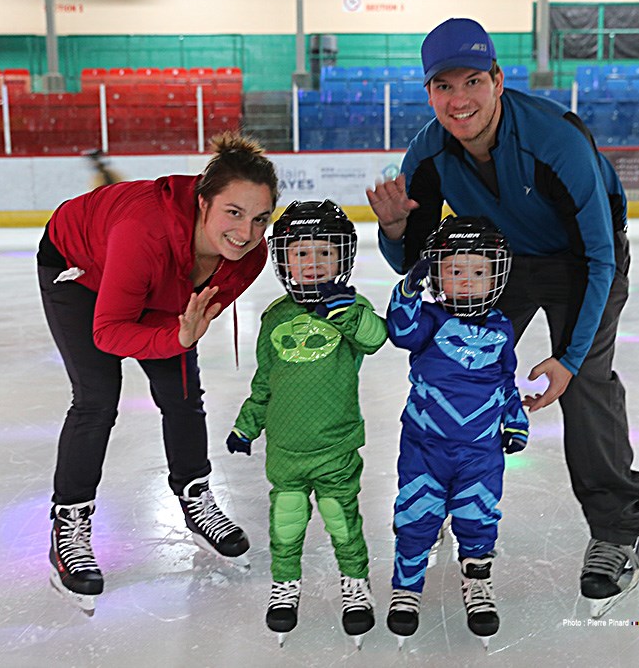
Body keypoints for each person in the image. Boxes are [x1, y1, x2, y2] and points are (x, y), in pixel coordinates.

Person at [365, 17, 639, 619]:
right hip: (501, 264)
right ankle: (436, 498)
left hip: (582, 262)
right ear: (429, 92)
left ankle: (618, 531)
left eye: (472, 81)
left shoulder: (556, 139)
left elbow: (600, 256)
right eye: (444, 87)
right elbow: (417, 264)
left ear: (497, 79)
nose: (459, 100)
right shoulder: (429, 153)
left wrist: (570, 359)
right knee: (449, 365)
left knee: (587, 386)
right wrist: (393, 231)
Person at [38, 131, 280, 615]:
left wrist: (178, 340)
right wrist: (176, 339)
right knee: (96, 399)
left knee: (183, 392)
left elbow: (186, 319)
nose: (245, 232)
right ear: (203, 202)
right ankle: (69, 523)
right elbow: (109, 333)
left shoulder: (250, 253)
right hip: (80, 271)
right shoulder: (142, 232)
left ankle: (195, 498)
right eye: (233, 213)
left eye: (259, 218)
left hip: (154, 278)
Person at [226, 200, 388, 648]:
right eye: (301, 253)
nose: (313, 263)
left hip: (335, 447)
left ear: (342, 257)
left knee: (341, 520)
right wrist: (247, 425)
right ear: (283, 260)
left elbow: (377, 339)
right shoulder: (275, 317)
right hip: (285, 450)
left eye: (324, 253)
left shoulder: (350, 309)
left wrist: (347, 313)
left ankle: (355, 584)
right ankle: (285, 584)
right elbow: (265, 382)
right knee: (287, 522)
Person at [384, 216, 529, 649]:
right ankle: (406, 589)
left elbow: (506, 380)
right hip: (424, 449)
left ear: (496, 275)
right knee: (416, 518)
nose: (467, 281)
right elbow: (400, 331)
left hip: (480, 453)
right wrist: (408, 289)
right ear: (438, 274)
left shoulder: (501, 328)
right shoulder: (427, 319)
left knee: (478, 517)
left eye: (479, 272)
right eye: (455, 270)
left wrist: (515, 420)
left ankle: (477, 580)